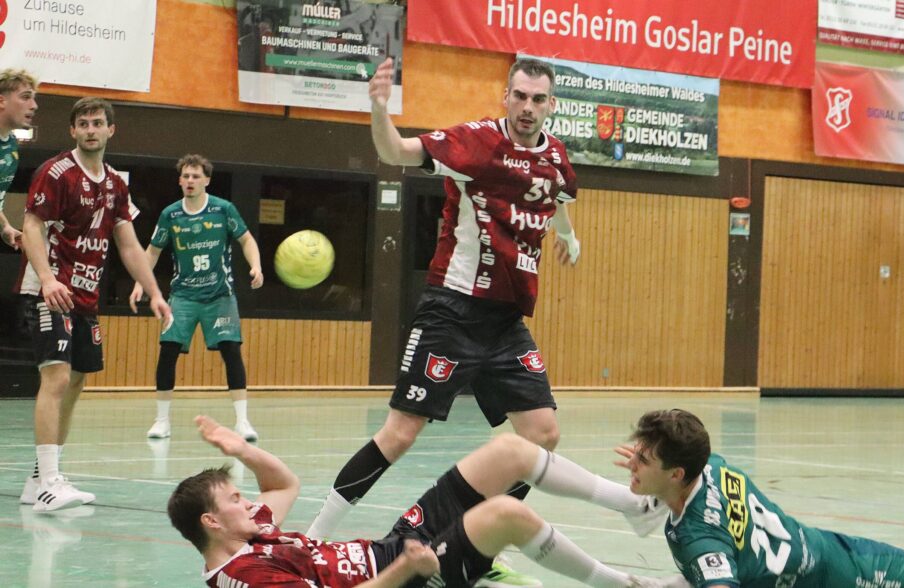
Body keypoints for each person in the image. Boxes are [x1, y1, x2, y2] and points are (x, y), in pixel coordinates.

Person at [308, 56, 582, 585]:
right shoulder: (475, 143)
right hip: (452, 309)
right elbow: (395, 151)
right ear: (506, 97)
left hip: (506, 322)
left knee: (542, 435)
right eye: (519, 96)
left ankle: (467, 543)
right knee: (399, 434)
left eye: (537, 99)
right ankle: (313, 539)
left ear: (551, 104)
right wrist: (379, 110)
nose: (527, 107)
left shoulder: (556, 156)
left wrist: (567, 234)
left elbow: (560, 194)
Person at [170, 415, 679, 588]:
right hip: (404, 579)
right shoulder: (245, 576)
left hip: (395, 548)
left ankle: (634, 507)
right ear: (212, 521)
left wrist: (242, 451)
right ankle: (622, 584)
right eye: (235, 498)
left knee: (510, 451)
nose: (248, 503)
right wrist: (407, 569)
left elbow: (283, 486)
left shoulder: (248, 533)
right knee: (505, 515)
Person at [615, 409, 904, 588]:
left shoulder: (699, 541)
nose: (632, 463)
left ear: (677, 474)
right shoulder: (711, 464)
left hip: (832, 577)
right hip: (822, 549)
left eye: (643, 459)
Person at [16, 97, 171, 512]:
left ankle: (39, 479)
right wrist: (47, 278)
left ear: (110, 130)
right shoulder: (56, 172)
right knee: (57, 378)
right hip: (49, 290)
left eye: (97, 123)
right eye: (83, 123)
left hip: (85, 296)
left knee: (78, 380)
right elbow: (31, 225)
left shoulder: (116, 184)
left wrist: (154, 292)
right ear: (72, 130)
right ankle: (50, 483)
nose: (90, 129)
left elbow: (128, 243)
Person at [129, 154, 263, 441]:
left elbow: (247, 239)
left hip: (220, 295)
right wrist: (141, 282)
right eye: (186, 176)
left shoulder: (223, 209)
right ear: (180, 180)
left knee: (231, 351)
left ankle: (243, 422)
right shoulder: (171, 215)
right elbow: (152, 251)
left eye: (196, 176)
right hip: (183, 296)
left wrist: (256, 266)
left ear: (207, 181)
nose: (190, 181)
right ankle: (162, 421)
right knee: (168, 351)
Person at [0, 68, 39, 251]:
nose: (34, 105)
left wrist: (4, 226)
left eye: (33, 98)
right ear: (2, 101)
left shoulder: (10, 144)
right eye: (25, 97)